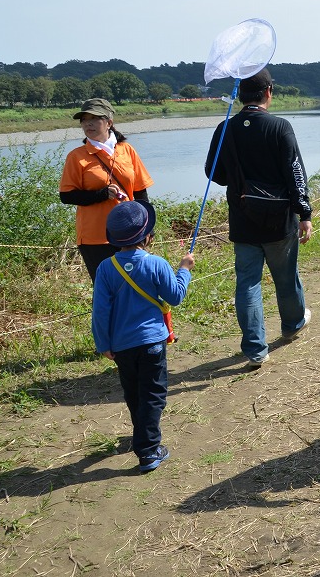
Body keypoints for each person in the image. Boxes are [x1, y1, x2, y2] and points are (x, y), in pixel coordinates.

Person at [205, 69, 312, 369]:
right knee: (285, 278)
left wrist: (239, 179)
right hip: (280, 220)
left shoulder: (225, 128)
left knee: (247, 284)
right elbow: (296, 173)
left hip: (243, 220)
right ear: (268, 92)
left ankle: (255, 349)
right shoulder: (280, 126)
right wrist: (305, 213)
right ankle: (291, 326)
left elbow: (214, 174)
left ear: (240, 95)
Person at [92, 200, 193, 472]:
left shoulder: (105, 269)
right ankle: (148, 450)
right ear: (148, 237)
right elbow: (176, 296)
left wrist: (103, 343)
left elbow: (100, 312)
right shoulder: (158, 264)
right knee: (153, 394)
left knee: (134, 392)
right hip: (151, 343)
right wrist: (184, 270)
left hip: (121, 346)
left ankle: (142, 435)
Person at [60, 98, 154, 281]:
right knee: (106, 291)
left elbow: (140, 191)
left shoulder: (127, 150)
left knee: (134, 287)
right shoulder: (76, 157)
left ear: (109, 122)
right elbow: (66, 196)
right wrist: (100, 195)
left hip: (130, 233)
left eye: (94, 118)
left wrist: (148, 228)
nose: (88, 123)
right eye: (84, 119)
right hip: (94, 237)